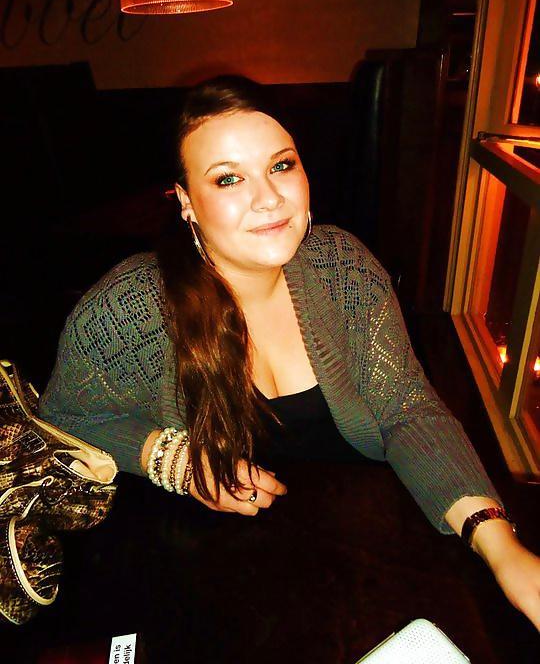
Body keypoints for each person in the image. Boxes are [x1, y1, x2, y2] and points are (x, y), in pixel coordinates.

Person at [39, 75, 540, 630]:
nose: (269, 198)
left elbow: (407, 411)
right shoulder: (128, 309)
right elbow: (65, 418)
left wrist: (503, 549)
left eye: (281, 166)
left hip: (366, 561)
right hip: (215, 584)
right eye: (229, 178)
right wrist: (176, 461)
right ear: (186, 202)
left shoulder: (343, 267)